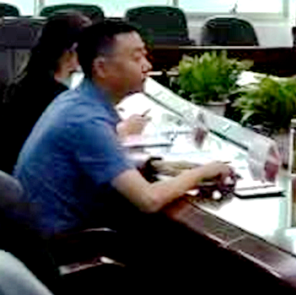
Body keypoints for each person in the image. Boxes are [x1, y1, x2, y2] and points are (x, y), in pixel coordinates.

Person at [14, 20, 232, 237]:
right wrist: (202, 172)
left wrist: (156, 167)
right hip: (66, 246)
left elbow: (99, 157)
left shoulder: (74, 101)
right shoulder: (86, 120)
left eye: (144, 56)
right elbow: (149, 200)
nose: (147, 66)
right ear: (101, 67)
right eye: (136, 58)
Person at [0, 13, 150, 173]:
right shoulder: (54, 96)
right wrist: (126, 131)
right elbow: (87, 143)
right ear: (75, 50)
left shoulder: (33, 80)